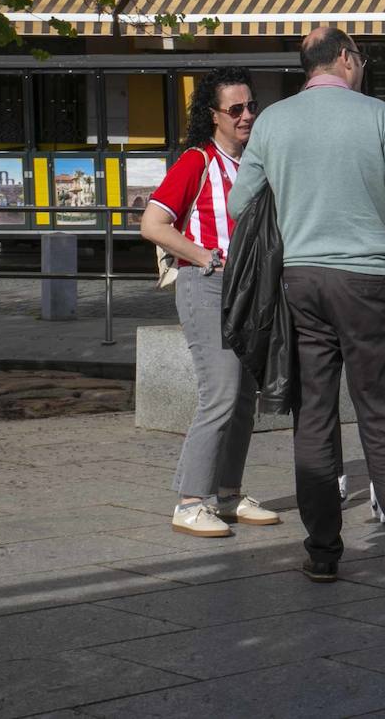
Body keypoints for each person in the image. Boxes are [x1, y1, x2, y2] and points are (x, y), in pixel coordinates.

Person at [227, 27, 385, 583]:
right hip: (366, 281)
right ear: (347, 59)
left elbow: (238, 203)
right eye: (362, 59)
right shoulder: (375, 115)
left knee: (314, 416)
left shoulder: (273, 120)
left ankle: (323, 550)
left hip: (299, 281)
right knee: (381, 415)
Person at [141, 67, 280, 538]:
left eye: (250, 106)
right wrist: (205, 257)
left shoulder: (254, 162)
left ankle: (228, 494)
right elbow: (153, 225)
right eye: (235, 109)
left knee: (244, 398)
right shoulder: (196, 162)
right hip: (207, 285)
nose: (246, 116)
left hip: (250, 291)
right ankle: (189, 501)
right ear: (212, 115)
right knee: (220, 393)